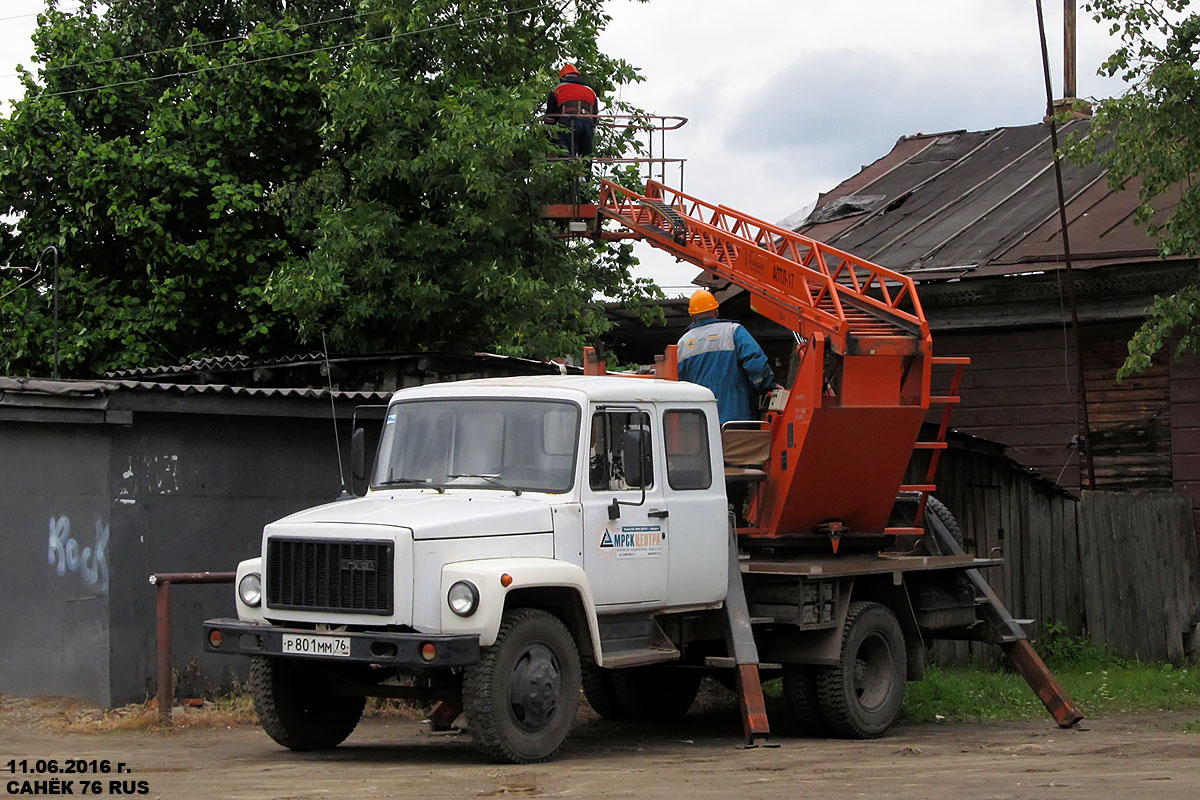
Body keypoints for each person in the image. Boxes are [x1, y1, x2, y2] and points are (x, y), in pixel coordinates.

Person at [676, 289, 776, 425]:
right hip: (736, 417)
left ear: (692, 317)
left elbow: (677, 382)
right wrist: (768, 386)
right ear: (716, 312)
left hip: (699, 421)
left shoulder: (683, 343)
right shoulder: (733, 331)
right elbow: (755, 362)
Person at [546, 63, 597, 163]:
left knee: (566, 156)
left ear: (563, 78)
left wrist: (549, 140)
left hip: (567, 122)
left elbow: (550, 119)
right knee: (586, 157)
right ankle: (585, 178)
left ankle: (567, 177)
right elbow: (595, 118)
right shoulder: (590, 91)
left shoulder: (558, 89)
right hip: (587, 123)